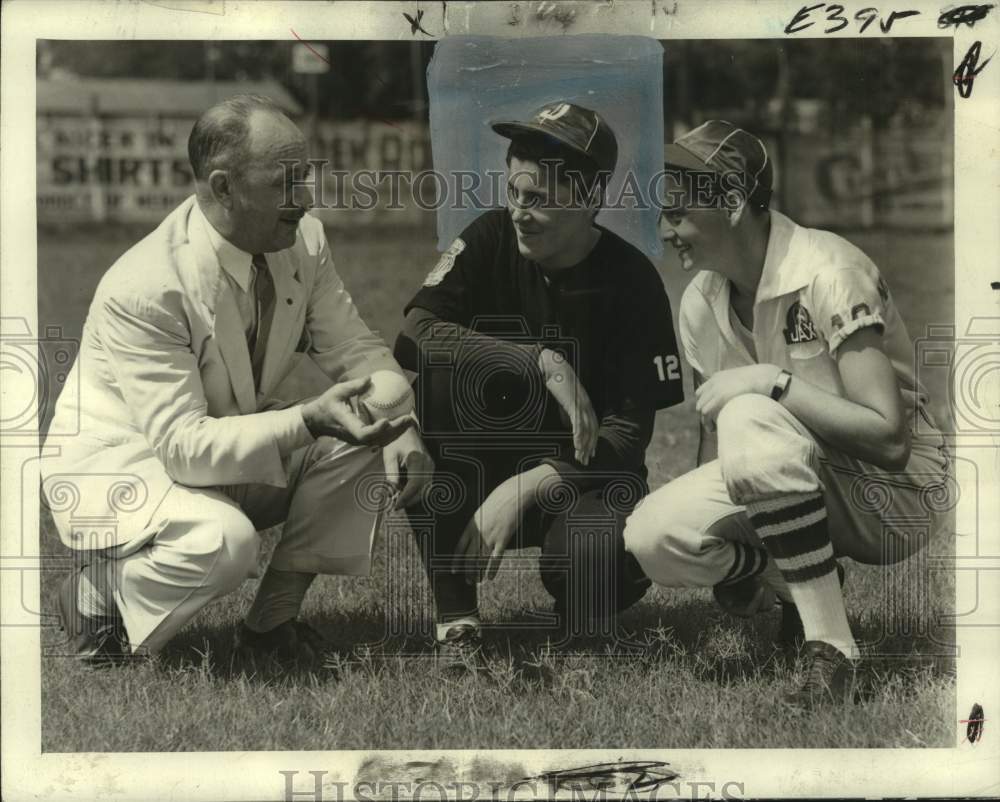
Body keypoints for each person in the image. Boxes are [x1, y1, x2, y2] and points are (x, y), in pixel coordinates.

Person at [42, 94, 432, 666]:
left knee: (373, 417)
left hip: (220, 443)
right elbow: (182, 449)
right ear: (223, 188)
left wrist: (401, 425)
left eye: (306, 178)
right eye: (286, 182)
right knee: (226, 543)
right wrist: (305, 420)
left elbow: (357, 350)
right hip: (125, 467)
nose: (305, 198)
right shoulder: (147, 285)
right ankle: (93, 595)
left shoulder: (304, 241)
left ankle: (270, 626)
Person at [623, 120, 952, 708]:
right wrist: (733, 558)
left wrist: (770, 382)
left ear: (730, 202)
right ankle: (806, 580)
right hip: (807, 472)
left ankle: (834, 651)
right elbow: (713, 436)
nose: (666, 230)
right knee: (652, 536)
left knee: (750, 409)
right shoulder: (701, 300)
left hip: (897, 493)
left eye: (677, 213)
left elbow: (889, 438)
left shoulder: (828, 269)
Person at [393, 101, 684, 671]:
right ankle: (457, 623)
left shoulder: (632, 281)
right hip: (488, 456)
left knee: (589, 555)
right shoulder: (491, 237)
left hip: (584, 478)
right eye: (515, 193)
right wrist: (540, 362)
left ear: (590, 201)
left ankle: (586, 614)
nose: (520, 213)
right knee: (436, 387)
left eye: (541, 200)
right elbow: (414, 334)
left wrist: (528, 485)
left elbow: (626, 440)